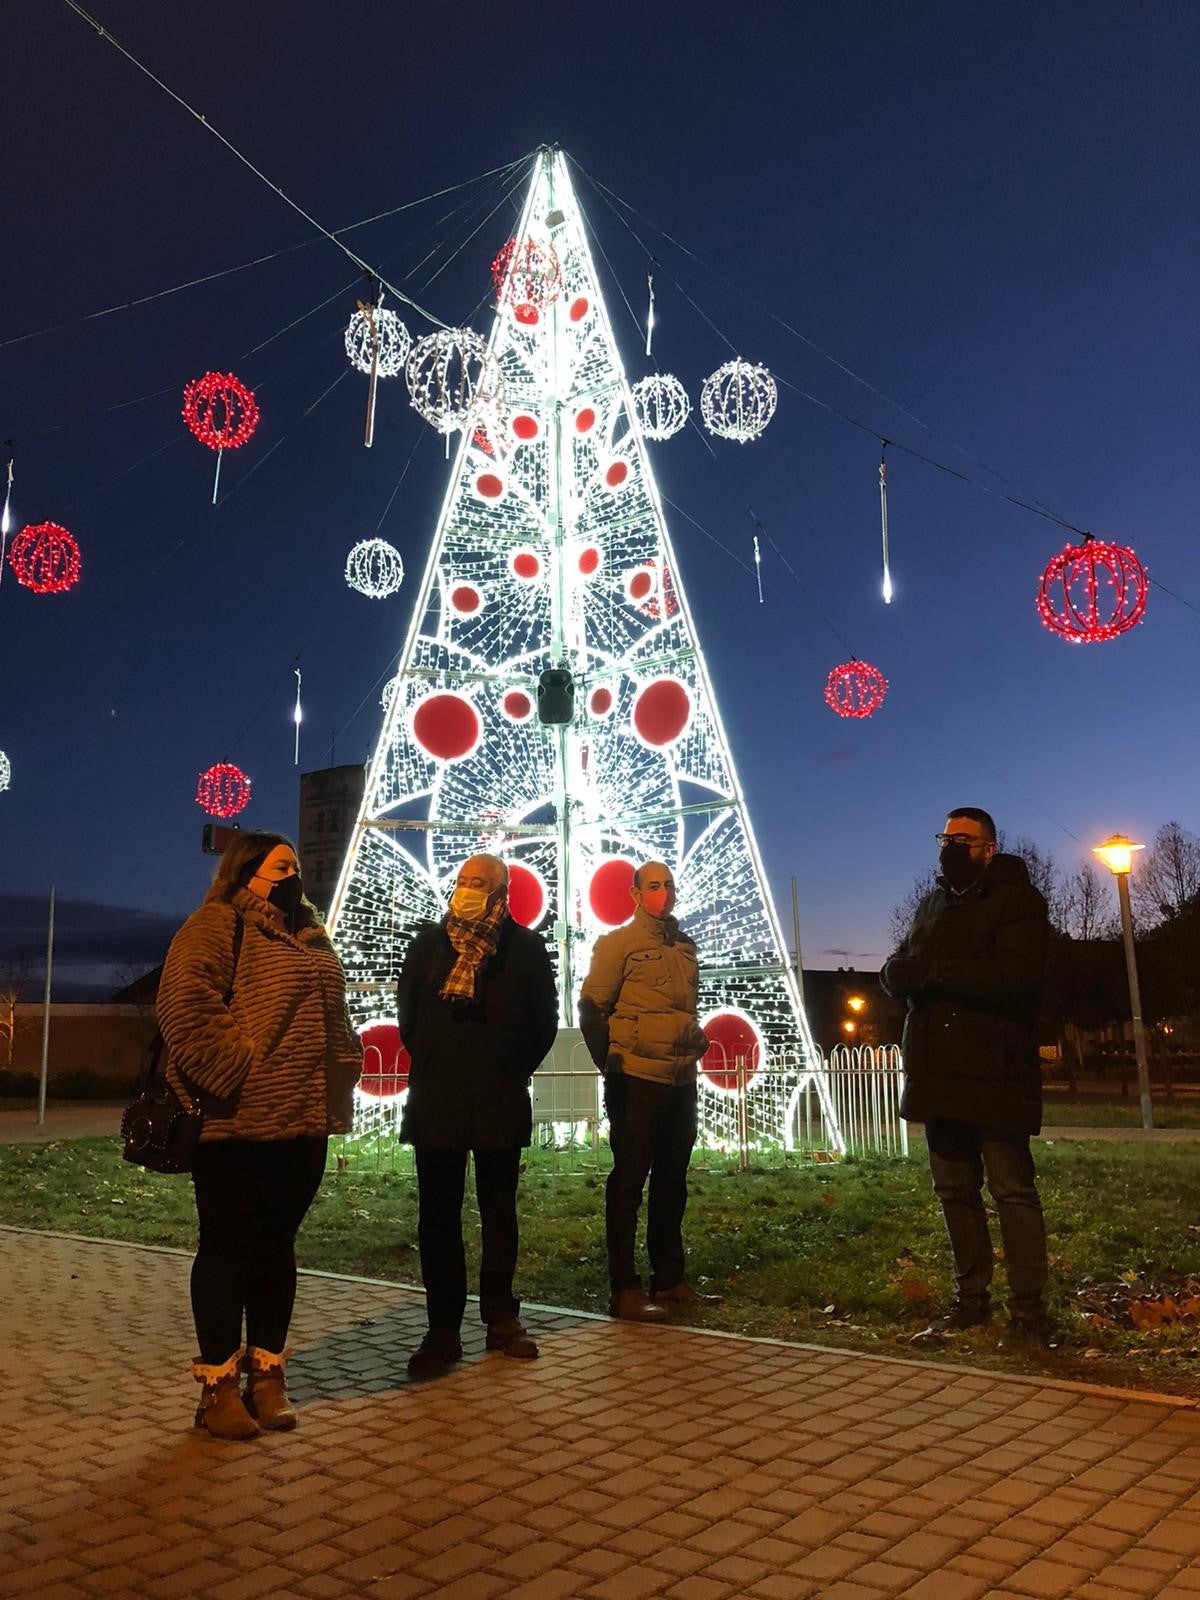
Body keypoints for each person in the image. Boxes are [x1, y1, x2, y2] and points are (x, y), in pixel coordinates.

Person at [157, 830, 362, 1440]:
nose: (293, 874)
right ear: (246, 871)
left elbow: (333, 1008)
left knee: (276, 1247)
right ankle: (217, 1386)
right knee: (228, 1248)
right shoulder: (215, 923)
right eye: (281, 866)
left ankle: (267, 1375)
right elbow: (184, 1004)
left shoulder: (309, 932)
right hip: (237, 1120)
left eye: (297, 865)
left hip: (304, 1118)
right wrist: (238, 1067)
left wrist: (342, 1060)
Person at [880, 807, 1052, 1343]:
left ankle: (1027, 1312)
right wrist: (896, 975)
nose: (952, 846)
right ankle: (970, 1300)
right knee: (954, 1191)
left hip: (995, 1070)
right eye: (946, 837)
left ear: (989, 848)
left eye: (964, 839)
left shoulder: (1017, 900)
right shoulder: (932, 905)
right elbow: (901, 963)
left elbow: (1017, 979)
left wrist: (934, 974)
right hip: (937, 1072)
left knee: (1011, 1191)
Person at [396, 853, 558, 1379]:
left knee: (498, 1214)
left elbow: (543, 1024)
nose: (468, 888)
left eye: (480, 882)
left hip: (498, 1098)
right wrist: (436, 1060)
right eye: (463, 880)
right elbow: (408, 1021)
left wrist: (509, 1069)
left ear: (501, 892)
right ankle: (442, 1330)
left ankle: (501, 1316)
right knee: (438, 1219)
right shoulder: (427, 946)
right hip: (437, 1099)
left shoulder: (526, 949)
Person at [579, 861, 721, 1322]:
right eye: (654, 886)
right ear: (635, 894)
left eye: (669, 885)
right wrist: (613, 1065)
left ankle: (669, 1276)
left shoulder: (685, 948)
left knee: (672, 1182)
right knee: (629, 1182)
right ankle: (623, 1285)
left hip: (680, 1079)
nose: (664, 893)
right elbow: (592, 1006)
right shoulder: (617, 945)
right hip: (636, 1078)